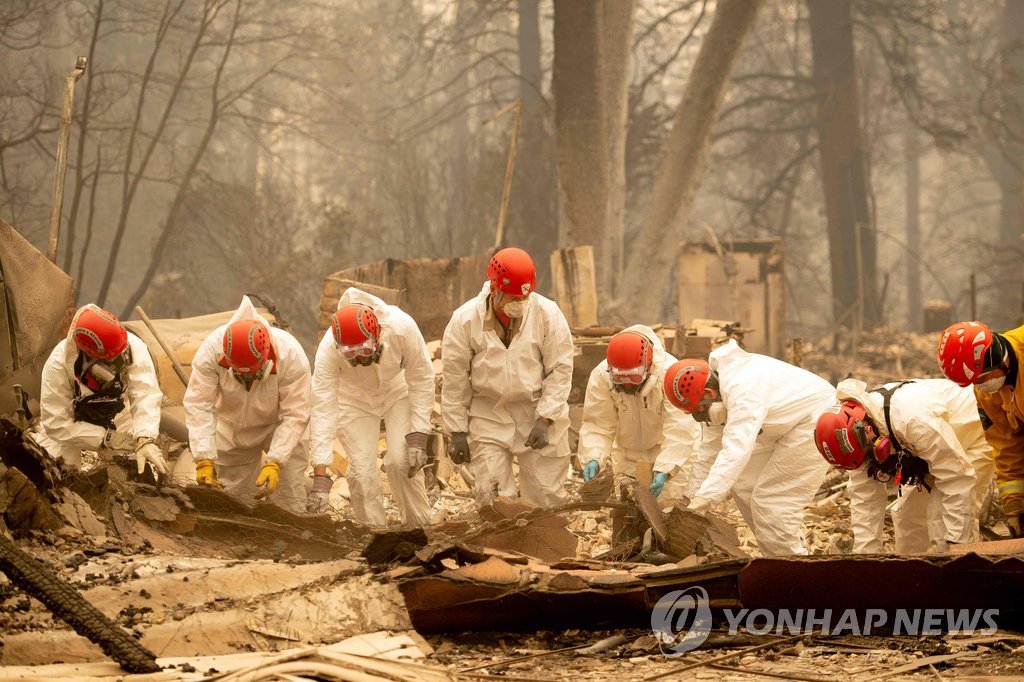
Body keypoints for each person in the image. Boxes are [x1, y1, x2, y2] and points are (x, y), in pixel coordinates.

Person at [660, 341, 835, 556]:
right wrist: (689, 499)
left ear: (707, 393)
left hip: (817, 419)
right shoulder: (717, 395)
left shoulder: (742, 388)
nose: (700, 416)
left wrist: (706, 498)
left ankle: (794, 567)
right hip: (787, 426)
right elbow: (708, 455)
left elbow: (736, 448)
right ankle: (775, 558)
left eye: (698, 411)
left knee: (773, 500)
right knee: (744, 484)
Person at [441, 247, 573, 508]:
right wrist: (456, 431)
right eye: (512, 298)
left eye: (523, 298)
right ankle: (496, 548)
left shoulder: (548, 314)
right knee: (494, 499)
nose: (519, 304)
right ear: (494, 289)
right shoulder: (465, 320)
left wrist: (546, 418)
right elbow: (455, 379)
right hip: (489, 414)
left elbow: (560, 368)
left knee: (545, 498)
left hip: (536, 411)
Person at [814, 378, 994, 553]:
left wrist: (957, 549)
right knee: (909, 524)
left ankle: (958, 575)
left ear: (866, 427)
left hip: (972, 436)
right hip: (927, 454)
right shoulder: (857, 445)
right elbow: (865, 502)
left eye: (869, 453)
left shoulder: (912, 420)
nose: (870, 459)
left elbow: (956, 478)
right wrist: (866, 560)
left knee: (942, 529)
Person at [308, 289, 434, 526]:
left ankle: (418, 527)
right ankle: (373, 532)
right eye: (351, 355)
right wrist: (321, 477)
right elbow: (323, 407)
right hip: (353, 399)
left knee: (401, 460)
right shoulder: (328, 349)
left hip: (396, 390)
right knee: (363, 472)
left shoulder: (401, 327)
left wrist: (419, 432)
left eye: (364, 352)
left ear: (377, 334)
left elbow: (421, 378)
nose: (359, 361)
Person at [183, 296, 310, 513]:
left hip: (278, 425)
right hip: (232, 426)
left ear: (265, 354)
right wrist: (204, 457)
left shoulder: (290, 355)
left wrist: (276, 460)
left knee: (289, 493)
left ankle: (293, 542)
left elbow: (295, 414)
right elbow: (199, 404)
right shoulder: (211, 351)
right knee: (232, 500)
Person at [35, 305, 168, 476]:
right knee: (54, 471)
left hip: (118, 417)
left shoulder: (133, 348)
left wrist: (145, 437)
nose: (116, 362)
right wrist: (105, 438)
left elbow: (145, 394)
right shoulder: (58, 366)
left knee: (142, 467)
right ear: (88, 351)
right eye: (110, 358)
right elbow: (56, 424)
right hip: (72, 422)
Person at [578, 325, 699, 497]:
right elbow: (598, 424)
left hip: (671, 452)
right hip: (628, 455)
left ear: (648, 366)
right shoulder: (601, 376)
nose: (627, 384)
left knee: (672, 511)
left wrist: (666, 468)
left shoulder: (670, 374)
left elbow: (680, 429)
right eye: (620, 378)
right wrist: (593, 456)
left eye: (633, 377)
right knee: (631, 512)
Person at [937, 320, 1024, 537]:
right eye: (973, 382)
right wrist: (1015, 507)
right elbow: (1005, 445)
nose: (980, 386)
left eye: (981, 378)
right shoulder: (987, 391)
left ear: (998, 359)